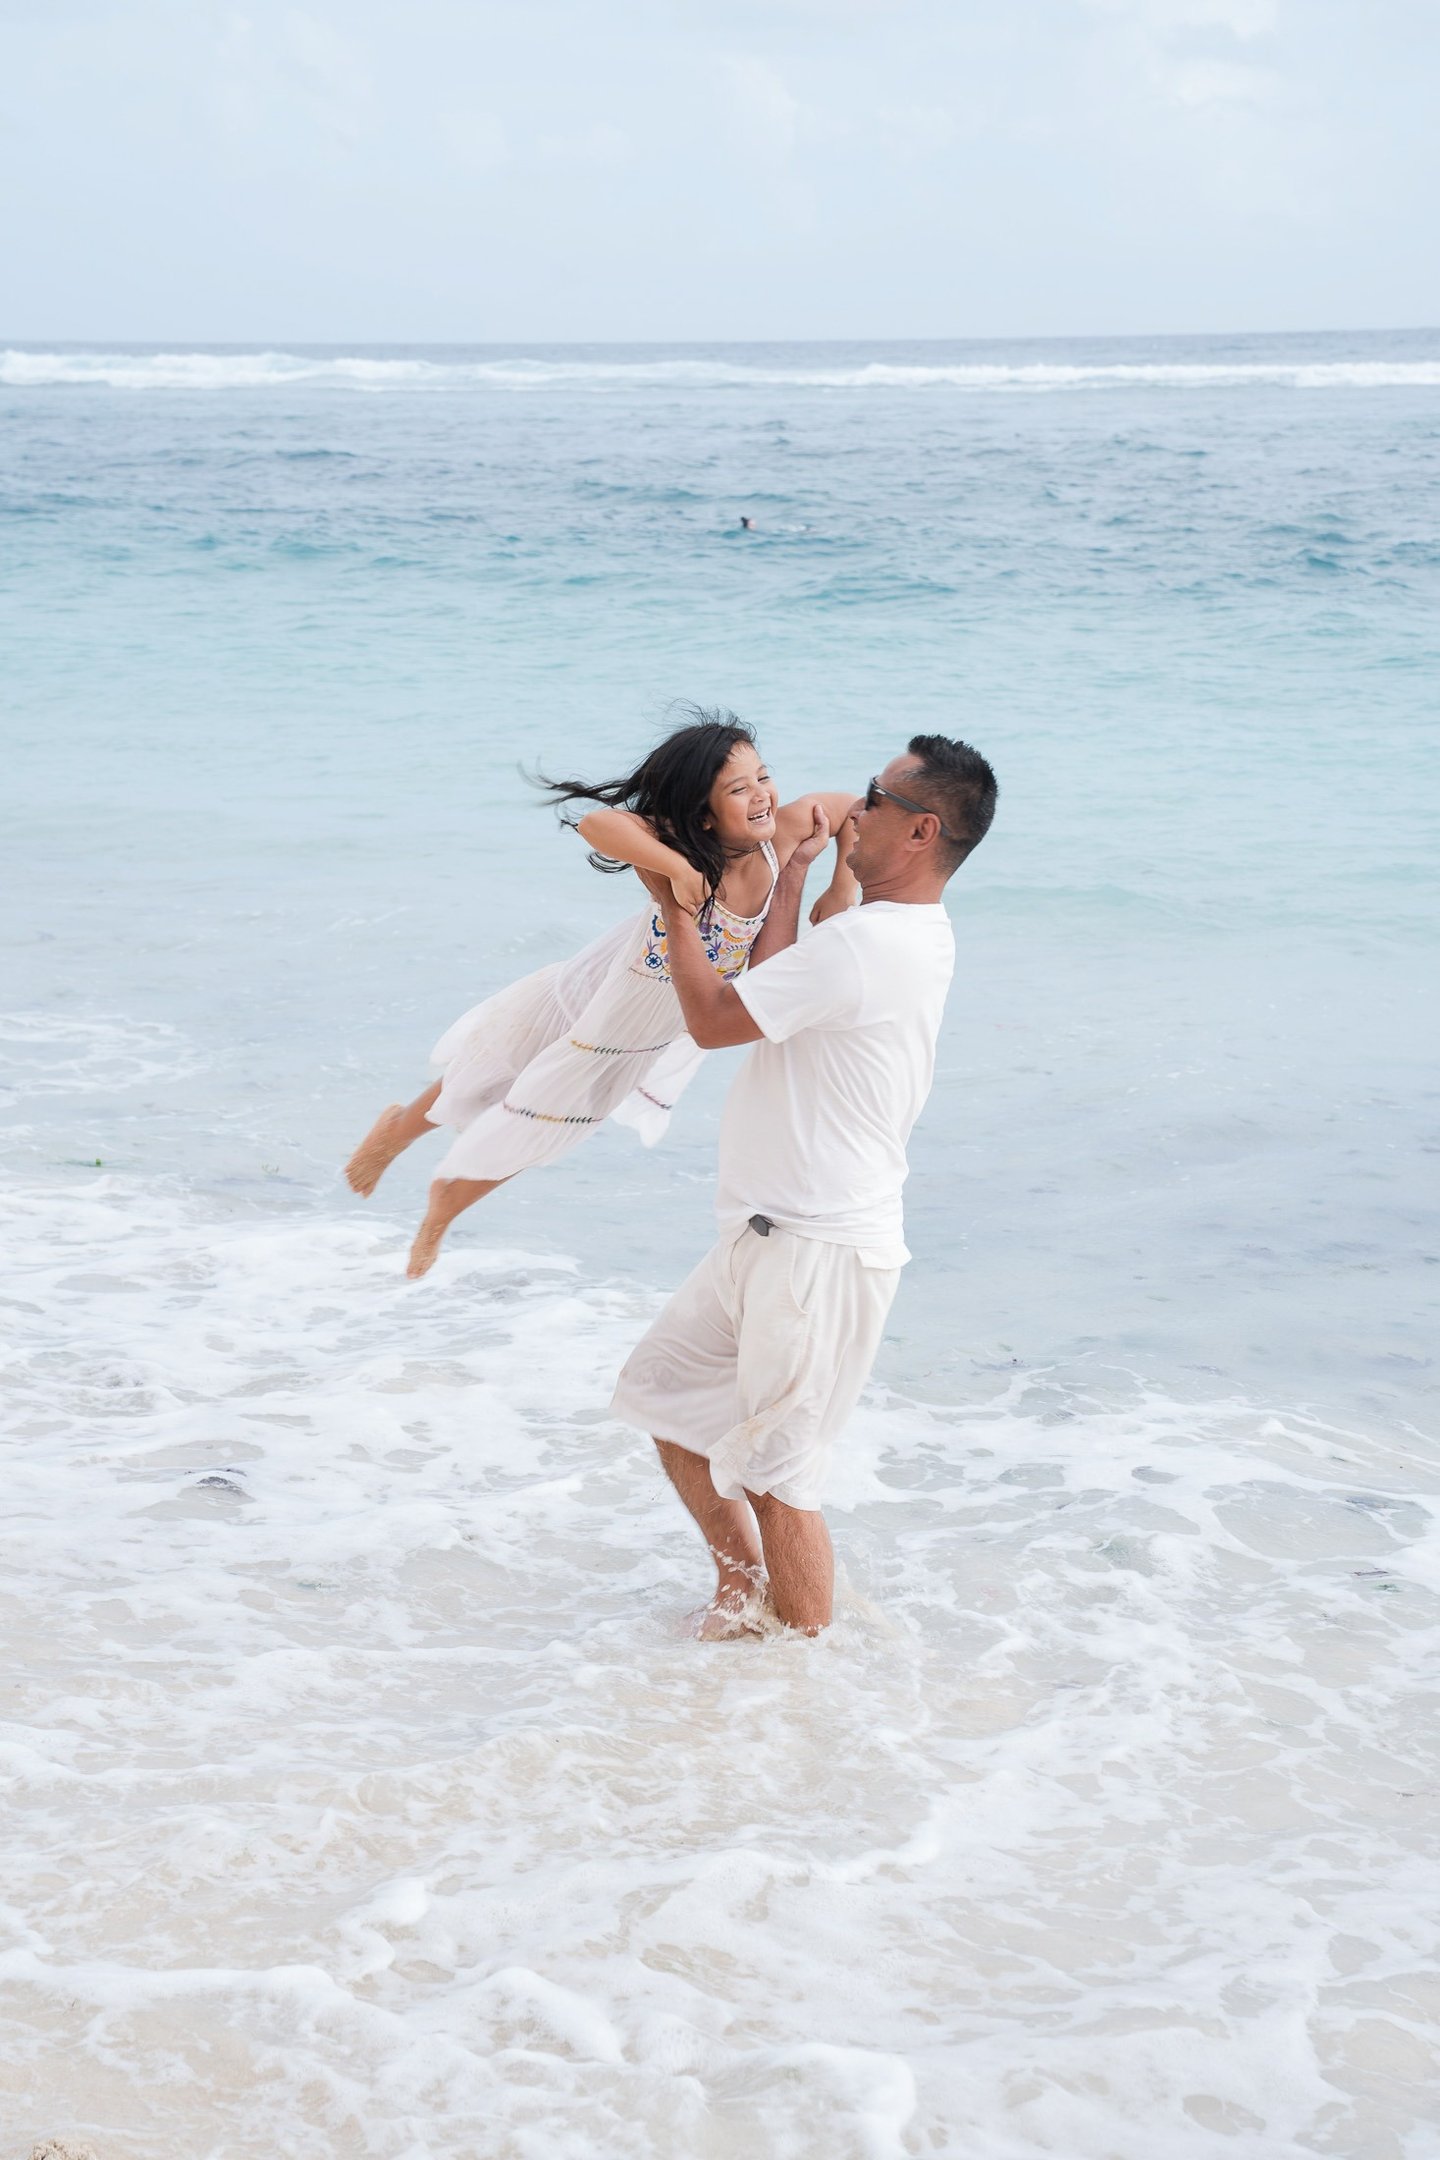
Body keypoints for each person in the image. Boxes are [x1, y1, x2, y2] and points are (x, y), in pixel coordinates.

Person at [610, 734, 998, 1637]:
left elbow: (713, 1020)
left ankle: (801, 1690)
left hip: (816, 1248)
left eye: (876, 796)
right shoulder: (888, 935)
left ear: (920, 832)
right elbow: (777, 988)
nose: (854, 807)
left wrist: (673, 907)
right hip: (767, 1234)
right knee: (666, 1399)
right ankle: (745, 1591)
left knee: (782, 1483)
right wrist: (790, 880)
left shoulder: (868, 946)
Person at [344, 710, 863, 1277]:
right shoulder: (688, 850)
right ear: (702, 816)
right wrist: (674, 867)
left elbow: (853, 809)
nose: (762, 794)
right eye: (738, 789)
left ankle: (441, 1210)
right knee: (489, 1071)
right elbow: (597, 824)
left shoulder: (781, 838)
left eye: (763, 777)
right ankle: (394, 1135)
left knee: (543, 1122)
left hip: (632, 1029)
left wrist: (843, 881)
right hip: (592, 987)